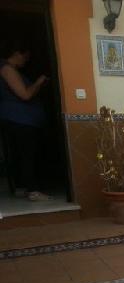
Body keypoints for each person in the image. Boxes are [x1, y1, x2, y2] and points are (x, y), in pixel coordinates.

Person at [0, 38, 50, 201]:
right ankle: (32, 190)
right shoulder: (7, 69)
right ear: (16, 54)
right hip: (20, 120)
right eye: (25, 56)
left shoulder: (10, 69)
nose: (26, 60)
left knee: (21, 154)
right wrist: (39, 82)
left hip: (20, 120)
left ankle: (23, 187)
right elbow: (25, 94)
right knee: (27, 154)